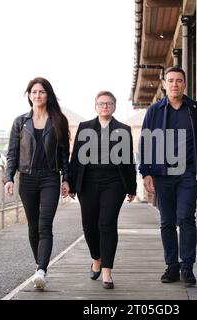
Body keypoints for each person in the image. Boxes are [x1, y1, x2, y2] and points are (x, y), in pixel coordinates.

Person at [139, 66, 197, 286]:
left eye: (178, 80)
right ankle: (172, 266)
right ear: (165, 84)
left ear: (185, 84)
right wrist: (146, 172)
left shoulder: (196, 110)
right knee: (167, 220)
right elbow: (146, 143)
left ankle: (187, 267)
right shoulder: (154, 111)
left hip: (188, 172)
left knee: (186, 217)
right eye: (170, 80)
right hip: (162, 173)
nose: (174, 84)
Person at [3, 77, 70, 290]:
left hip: (50, 177)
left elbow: (64, 155)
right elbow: (12, 153)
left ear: (47, 95)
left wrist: (66, 178)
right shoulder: (20, 122)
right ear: (29, 95)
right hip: (27, 179)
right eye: (34, 92)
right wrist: (8, 178)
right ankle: (38, 265)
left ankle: (41, 270)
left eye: (41, 92)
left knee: (45, 224)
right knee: (33, 227)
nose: (38, 95)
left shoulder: (58, 120)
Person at [69, 91, 137, 289]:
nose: (105, 106)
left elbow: (128, 161)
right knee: (89, 225)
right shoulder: (84, 128)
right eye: (101, 103)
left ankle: (107, 270)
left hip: (113, 183)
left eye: (108, 103)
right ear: (95, 106)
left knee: (107, 224)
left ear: (114, 106)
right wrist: (72, 184)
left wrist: (131, 187)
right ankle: (96, 258)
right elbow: (76, 158)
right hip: (88, 183)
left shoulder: (123, 129)